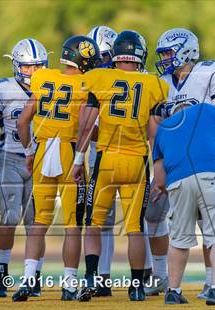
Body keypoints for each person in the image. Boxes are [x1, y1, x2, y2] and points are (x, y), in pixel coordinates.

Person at [72, 30, 169, 302]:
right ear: (139, 55)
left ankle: (91, 279)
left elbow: (86, 124)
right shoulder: (153, 84)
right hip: (136, 162)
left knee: (93, 224)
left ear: (115, 55)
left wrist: (79, 160)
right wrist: (159, 170)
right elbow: (154, 134)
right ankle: (137, 286)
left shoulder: (99, 78)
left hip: (106, 159)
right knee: (135, 228)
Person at [147, 27, 215, 298]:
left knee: (207, 225)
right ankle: (167, 279)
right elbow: (155, 128)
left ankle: (207, 283)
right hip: (176, 162)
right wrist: (158, 167)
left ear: (187, 50)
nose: (164, 58)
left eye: (169, 52)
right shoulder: (161, 81)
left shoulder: (212, 72)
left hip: (204, 158)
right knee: (170, 223)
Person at [12, 35, 100, 302]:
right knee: (72, 224)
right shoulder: (86, 84)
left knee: (39, 220)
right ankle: (70, 283)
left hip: (42, 150)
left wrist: (29, 151)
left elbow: (22, 122)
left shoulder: (42, 77)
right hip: (68, 151)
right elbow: (86, 128)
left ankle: (28, 280)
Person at [152, 101, 215, 305]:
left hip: (177, 181)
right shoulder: (211, 111)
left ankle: (173, 291)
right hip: (211, 175)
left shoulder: (163, 128)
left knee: (179, 238)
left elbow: (159, 179)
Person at [0, 38, 48, 298]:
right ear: (17, 66)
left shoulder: (52, 87)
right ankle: (2, 272)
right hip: (10, 158)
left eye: (38, 66)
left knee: (35, 222)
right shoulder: (2, 89)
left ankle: (34, 275)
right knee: (9, 218)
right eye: (28, 67)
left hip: (40, 160)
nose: (34, 72)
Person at [86, 25, 118, 297]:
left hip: (119, 149)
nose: (100, 63)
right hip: (99, 151)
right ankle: (101, 277)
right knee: (101, 217)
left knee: (139, 218)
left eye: (104, 56)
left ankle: (152, 276)